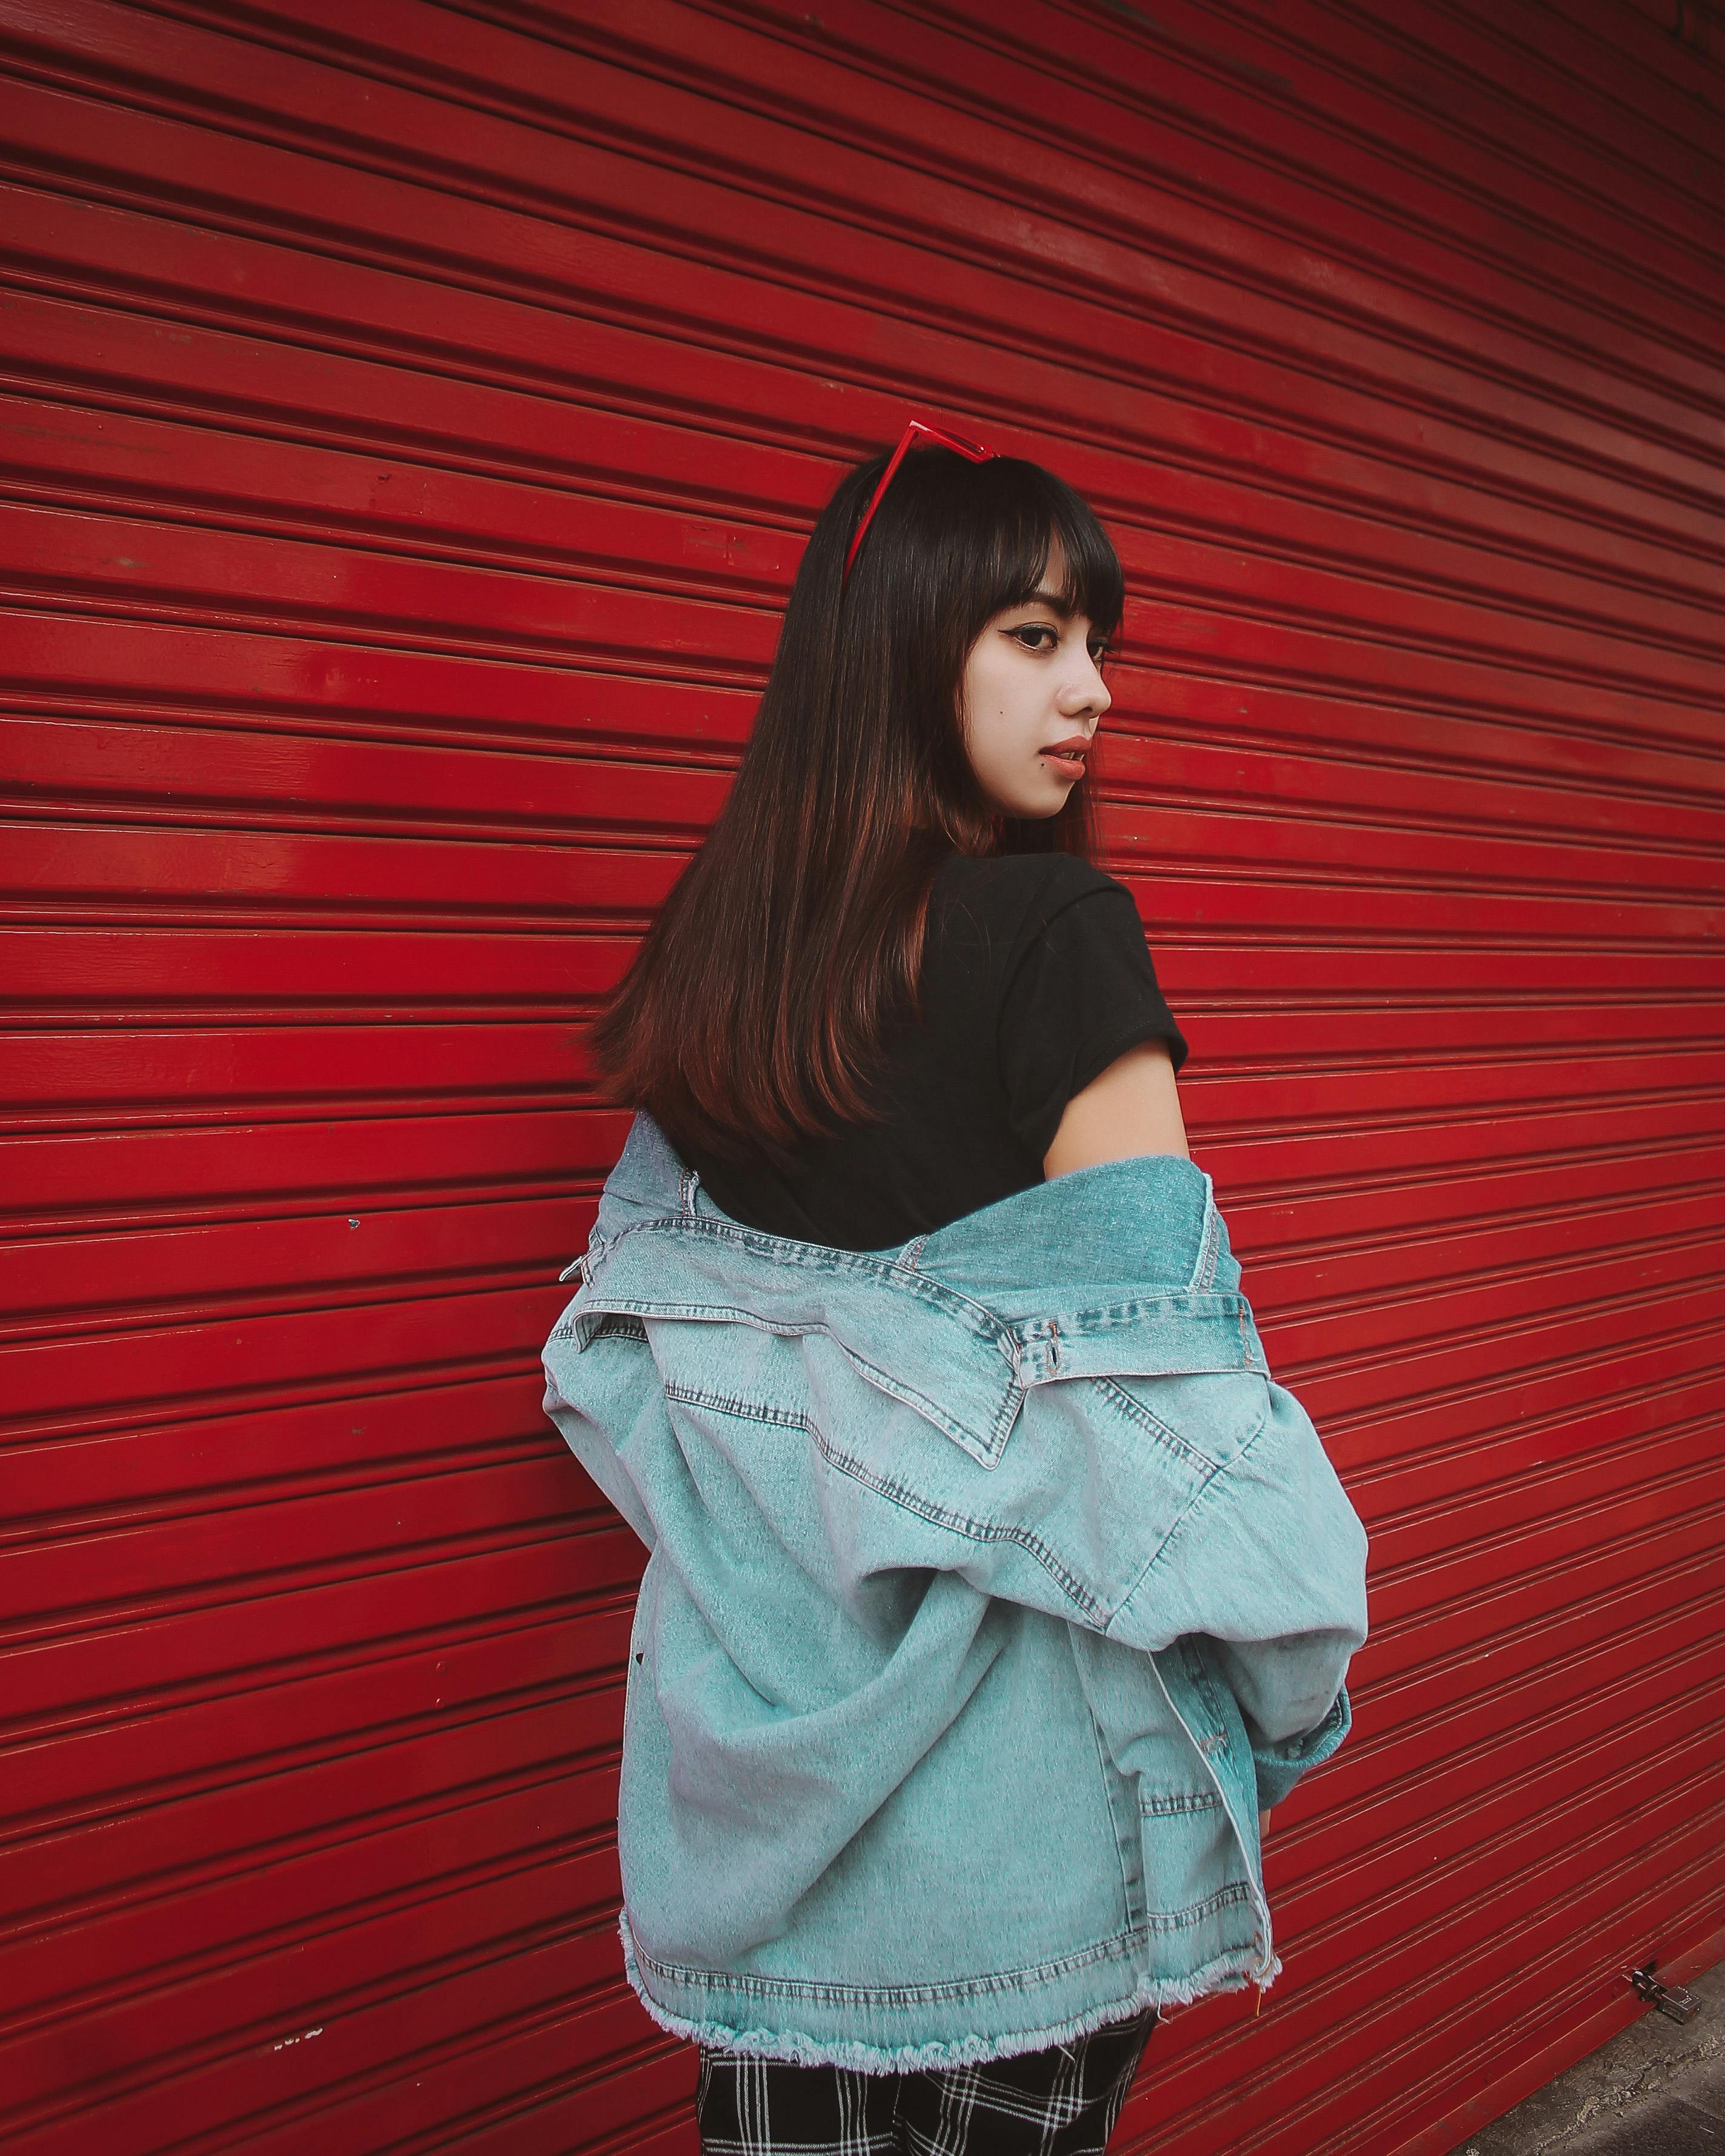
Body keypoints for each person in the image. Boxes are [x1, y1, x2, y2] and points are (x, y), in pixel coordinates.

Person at [542, 421, 1370, 2155]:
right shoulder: (1058, 936)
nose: (1095, 690)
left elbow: (652, 1361)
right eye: (1038, 635)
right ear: (912, 647)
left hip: (774, 1824)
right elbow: (1180, 1424)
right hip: (1034, 1824)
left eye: (1098, 644)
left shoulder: (708, 963)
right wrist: (1290, 1700)